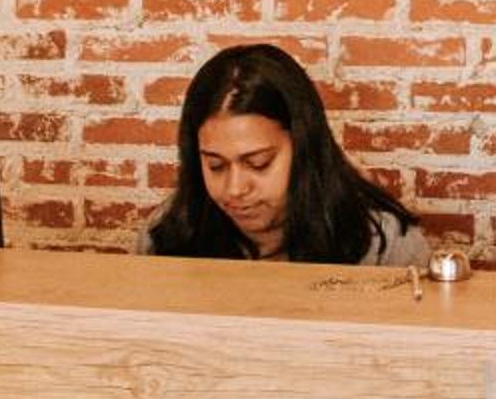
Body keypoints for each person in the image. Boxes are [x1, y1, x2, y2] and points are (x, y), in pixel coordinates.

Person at [141, 43, 429, 267]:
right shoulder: (170, 233)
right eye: (215, 165)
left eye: (259, 164)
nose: (235, 189)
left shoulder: (385, 244)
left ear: (304, 147)